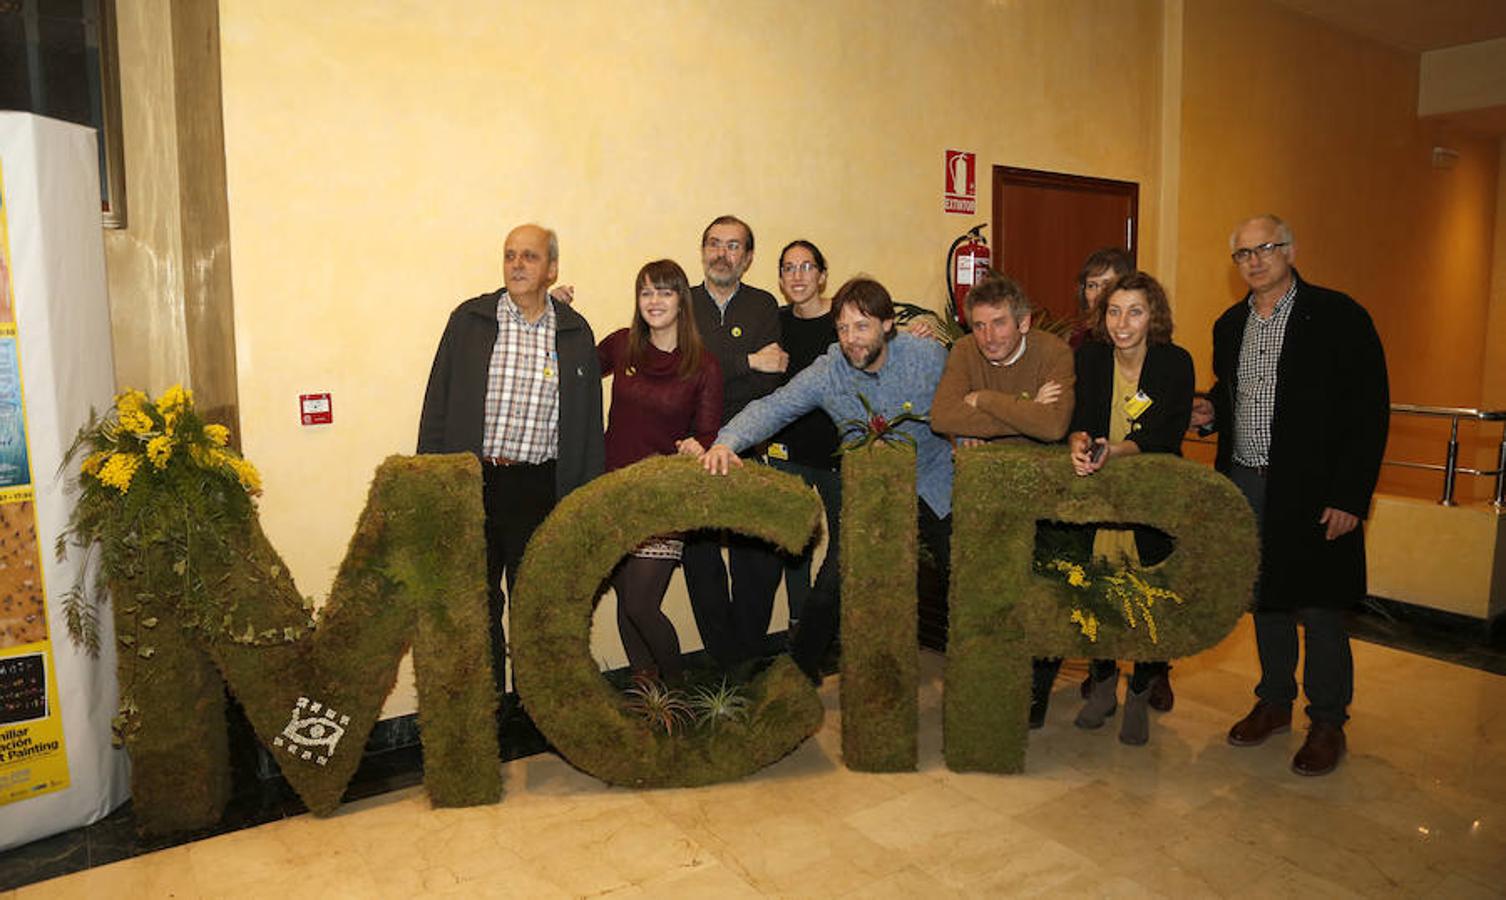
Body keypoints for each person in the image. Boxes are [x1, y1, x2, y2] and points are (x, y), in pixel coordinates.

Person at [1190, 214, 1388, 776]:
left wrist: (1350, 495)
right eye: (1243, 254)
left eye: (1266, 248)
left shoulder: (1338, 316)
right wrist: (1211, 411)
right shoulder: (1230, 325)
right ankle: (1274, 700)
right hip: (1247, 480)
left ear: (1290, 249)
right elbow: (1238, 396)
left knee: (1321, 604)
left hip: (1316, 488)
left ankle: (1327, 720)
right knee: (1266, 597)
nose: (1255, 261)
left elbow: (1367, 412)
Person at [700, 277, 954, 667]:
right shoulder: (829, 369)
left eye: (862, 326)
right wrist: (726, 440)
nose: (852, 338)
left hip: (932, 485)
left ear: (888, 325)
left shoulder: (926, 356)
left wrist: (973, 436)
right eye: (843, 327)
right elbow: (775, 406)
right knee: (830, 589)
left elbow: (966, 395)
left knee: (964, 573)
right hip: (871, 496)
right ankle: (800, 678)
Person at [417, 223, 605, 698]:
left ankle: (534, 709)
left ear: (552, 269)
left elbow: (586, 424)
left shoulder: (574, 331)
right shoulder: (470, 320)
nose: (517, 265)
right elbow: (437, 401)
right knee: (475, 605)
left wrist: (583, 501)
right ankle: (487, 712)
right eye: (510, 255)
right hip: (472, 482)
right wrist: (431, 483)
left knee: (536, 605)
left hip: (538, 488)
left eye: (530, 256)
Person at [930, 273, 1075, 728]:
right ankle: (990, 682)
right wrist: (1024, 408)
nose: (987, 337)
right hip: (988, 494)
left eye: (999, 324)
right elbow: (942, 417)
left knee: (1042, 593)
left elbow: (1053, 428)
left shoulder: (1054, 352)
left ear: (1024, 322)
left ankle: (1036, 690)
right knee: (992, 594)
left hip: (1044, 492)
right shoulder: (962, 352)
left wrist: (986, 400)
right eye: (977, 325)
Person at [1066, 271, 1194, 745]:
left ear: (1153, 316)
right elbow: (1079, 420)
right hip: (1100, 497)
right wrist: (1079, 444)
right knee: (1099, 596)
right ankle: (1102, 688)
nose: (1123, 322)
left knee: (1147, 601)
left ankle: (1140, 691)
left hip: (1151, 497)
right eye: (1114, 311)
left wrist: (1115, 450)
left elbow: (1165, 434)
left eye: (1135, 311)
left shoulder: (1175, 363)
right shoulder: (1092, 357)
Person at [597, 260, 723, 684]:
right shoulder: (621, 345)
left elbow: (708, 433)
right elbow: (574, 366)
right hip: (613, 490)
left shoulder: (703, 365)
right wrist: (558, 311)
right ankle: (649, 695)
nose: (654, 301)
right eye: (646, 292)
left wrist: (698, 446)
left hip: (664, 499)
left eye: (665, 292)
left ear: (681, 301)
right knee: (623, 597)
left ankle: (678, 689)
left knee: (640, 604)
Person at [682, 215, 787, 671]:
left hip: (750, 449)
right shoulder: (680, 303)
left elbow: (770, 384)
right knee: (701, 562)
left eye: (733, 246)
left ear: (747, 258)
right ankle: (724, 664)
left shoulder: (764, 306)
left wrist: (715, 367)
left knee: (759, 562)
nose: (721, 253)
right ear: (702, 250)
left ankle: (744, 659)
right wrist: (746, 361)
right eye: (713, 244)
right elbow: (684, 372)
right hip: (693, 450)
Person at [766, 240, 842, 681]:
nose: (797, 276)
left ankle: (820, 626)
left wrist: (923, 328)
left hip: (839, 453)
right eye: (789, 268)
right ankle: (800, 630)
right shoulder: (774, 322)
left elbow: (887, 337)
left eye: (806, 267)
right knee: (793, 545)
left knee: (843, 546)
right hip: (788, 452)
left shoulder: (843, 319)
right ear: (780, 277)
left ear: (821, 274)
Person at [1067, 247, 1133, 349]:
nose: (1098, 294)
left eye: (1107, 285)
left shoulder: (1136, 338)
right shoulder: (1078, 341)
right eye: (1091, 286)